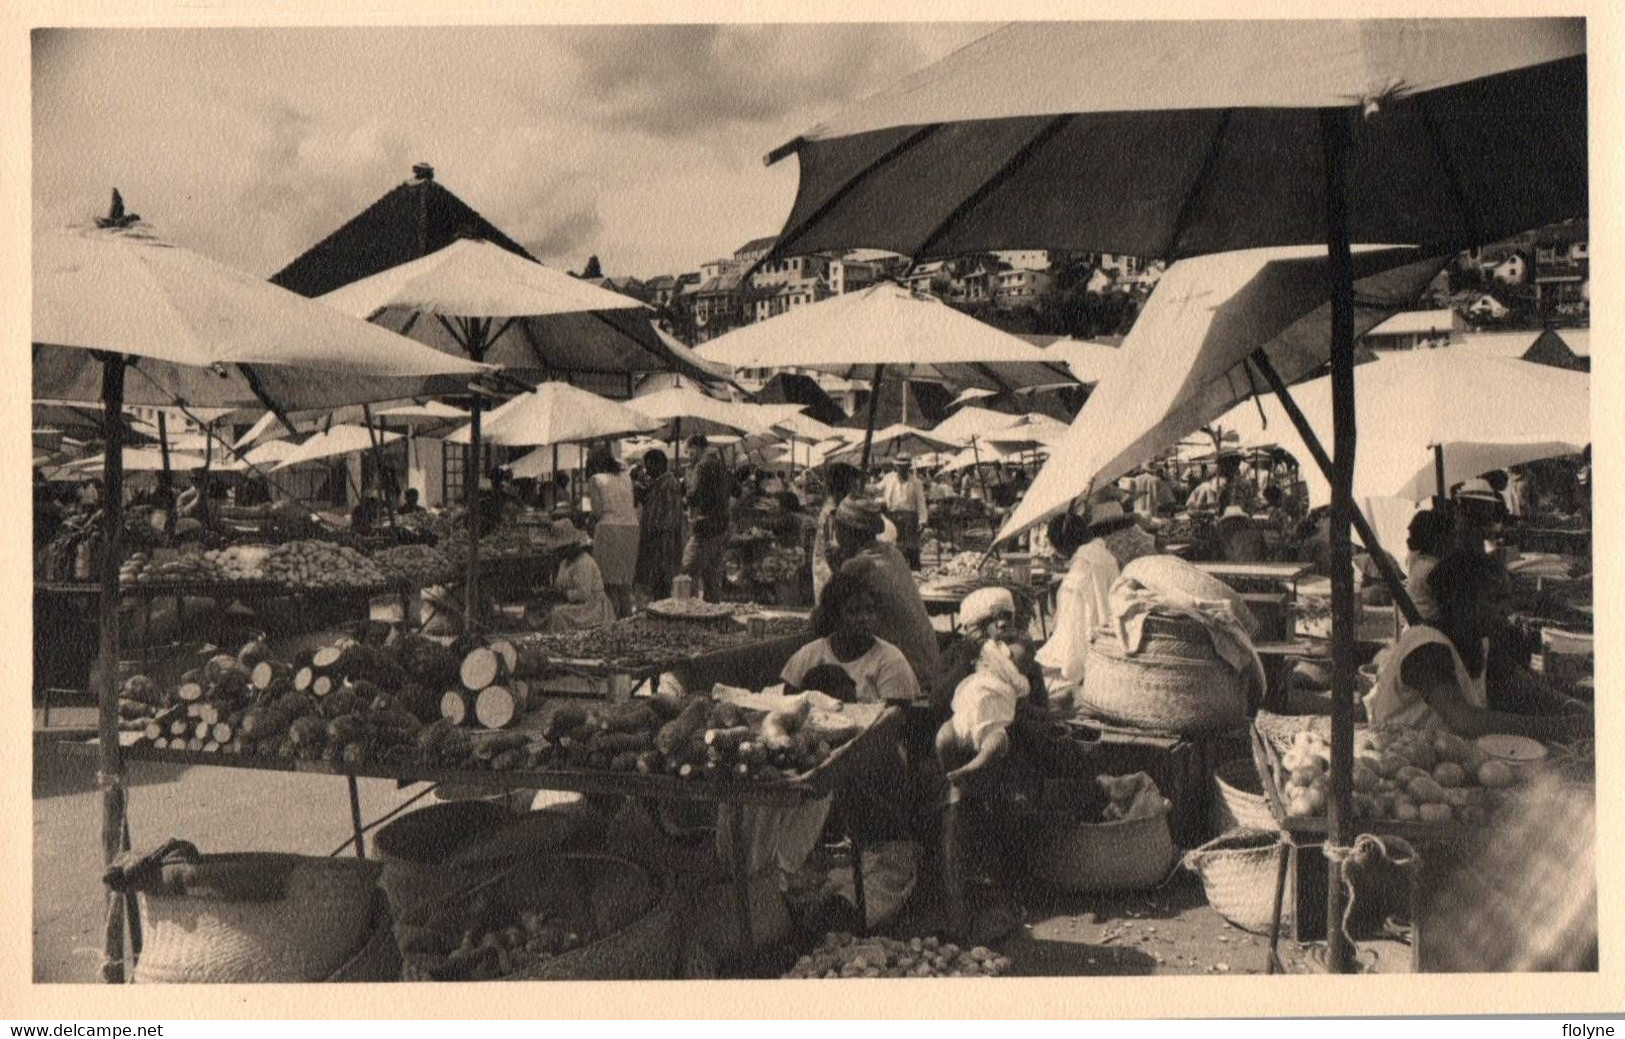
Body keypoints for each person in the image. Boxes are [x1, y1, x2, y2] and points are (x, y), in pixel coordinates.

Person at [1366, 550, 1591, 740]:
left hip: (1441, 762)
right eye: (1496, 599)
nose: (1508, 609)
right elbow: (1466, 721)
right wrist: (1561, 728)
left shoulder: (1479, 640)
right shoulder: (1426, 648)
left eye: (1507, 598)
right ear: (1461, 601)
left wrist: (1571, 706)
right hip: (1396, 764)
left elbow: (1527, 687)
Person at [1035, 492, 1160, 689]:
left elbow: (1071, 641)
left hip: (1092, 655)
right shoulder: (1104, 554)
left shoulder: (1082, 568)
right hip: (1114, 640)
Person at [823, 495, 942, 688]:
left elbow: (829, 614)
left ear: (846, 531)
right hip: (929, 664)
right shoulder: (892, 553)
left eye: (838, 529)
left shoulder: (857, 565)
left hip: (909, 673)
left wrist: (838, 569)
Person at [781, 570, 922, 704]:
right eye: (853, 612)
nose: (864, 618)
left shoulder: (890, 660)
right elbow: (788, 703)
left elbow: (895, 719)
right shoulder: (809, 655)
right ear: (834, 617)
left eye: (870, 610)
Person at [585, 446, 639, 617]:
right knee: (624, 583)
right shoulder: (625, 477)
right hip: (632, 528)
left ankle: (612, 621)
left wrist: (587, 522)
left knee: (608, 583)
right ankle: (627, 620)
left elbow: (598, 511)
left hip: (609, 528)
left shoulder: (595, 480)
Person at [542, 518, 617, 632]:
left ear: (571, 546)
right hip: (575, 604)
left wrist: (563, 595)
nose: (559, 553)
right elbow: (560, 585)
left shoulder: (583, 561)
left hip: (592, 607)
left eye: (561, 549)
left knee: (558, 614)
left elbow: (584, 594)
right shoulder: (564, 563)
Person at [682, 434, 733, 602]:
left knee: (688, 569)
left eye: (688, 452)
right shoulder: (721, 464)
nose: (688, 456)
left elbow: (694, 497)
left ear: (696, 448)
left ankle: (689, 611)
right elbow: (736, 491)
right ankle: (713, 614)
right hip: (723, 525)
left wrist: (684, 493)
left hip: (706, 526)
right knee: (712, 576)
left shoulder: (702, 466)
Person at [632, 448, 685, 600]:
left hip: (664, 544)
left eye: (649, 466)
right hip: (656, 544)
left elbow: (671, 517)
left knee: (663, 585)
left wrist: (655, 531)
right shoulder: (658, 484)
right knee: (656, 586)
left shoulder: (669, 484)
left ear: (659, 465)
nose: (647, 471)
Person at [877, 454, 929, 569]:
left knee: (912, 547)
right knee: (894, 546)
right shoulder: (888, 478)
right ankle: (895, 572)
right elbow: (877, 489)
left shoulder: (916, 482)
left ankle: (915, 572)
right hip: (892, 516)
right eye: (900, 466)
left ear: (909, 466)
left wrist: (922, 520)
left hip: (910, 517)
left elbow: (921, 502)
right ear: (895, 466)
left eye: (905, 466)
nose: (902, 469)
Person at [1404, 509, 1452, 623]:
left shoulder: (1415, 559)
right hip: (1430, 625)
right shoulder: (1434, 568)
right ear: (1438, 539)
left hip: (1416, 622)